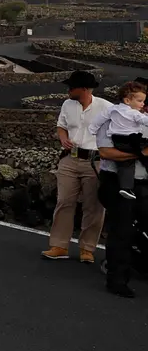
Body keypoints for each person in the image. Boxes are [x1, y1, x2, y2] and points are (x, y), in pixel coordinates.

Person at [43, 70, 110, 262]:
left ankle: (87, 249)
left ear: (85, 89)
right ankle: (59, 246)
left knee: (94, 206)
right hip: (69, 159)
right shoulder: (67, 104)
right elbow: (61, 125)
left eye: (72, 87)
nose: (68, 90)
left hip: (94, 160)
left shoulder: (106, 108)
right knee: (64, 201)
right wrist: (63, 138)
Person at [94, 114, 148, 298]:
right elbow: (106, 152)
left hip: (144, 183)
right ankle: (117, 281)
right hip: (117, 182)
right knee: (122, 230)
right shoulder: (110, 122)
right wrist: (141, 153)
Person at [86, 81, 148, 200]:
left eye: (144, 101)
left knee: (126, 164)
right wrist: (141, 153)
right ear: (127, 100)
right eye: (140, 101)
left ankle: (126, 188)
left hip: (118, 140)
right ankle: (126, 188)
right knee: (128, 164)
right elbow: (105, 153)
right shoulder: (136, 114)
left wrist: (92, 129)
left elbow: (99, 118)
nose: (143, 104)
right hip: (127, 142)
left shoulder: (113, 110)